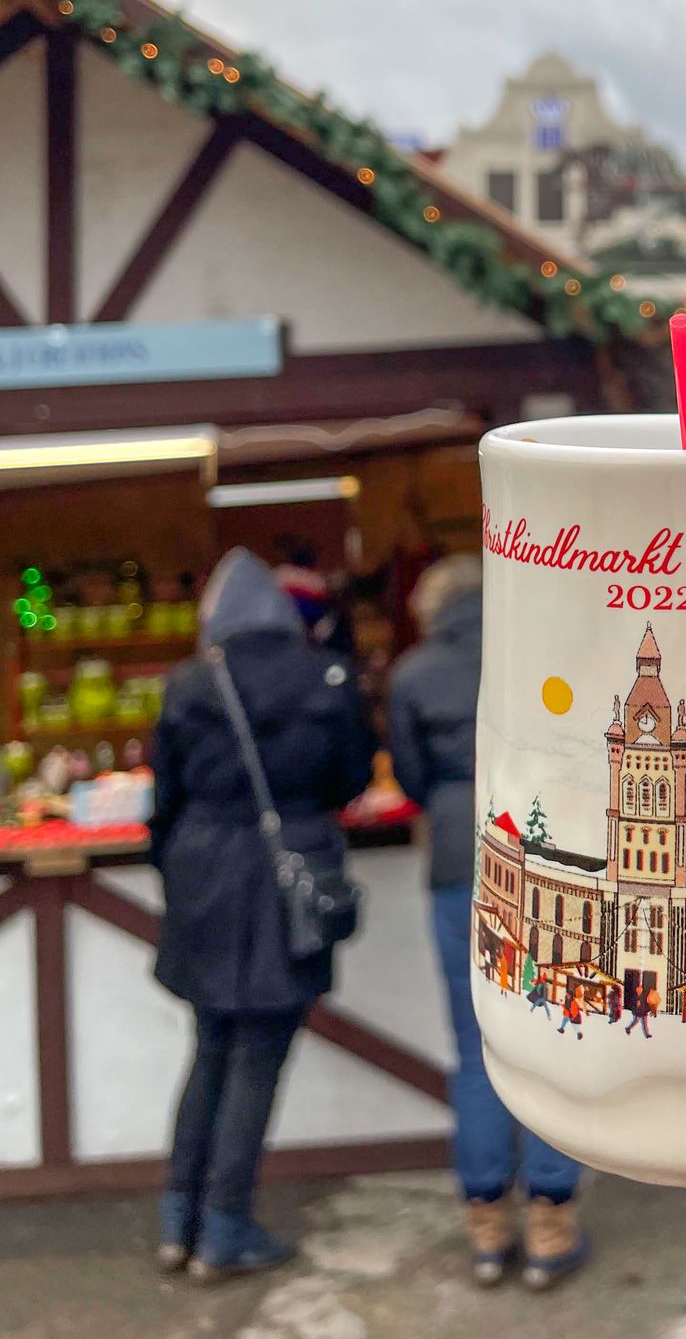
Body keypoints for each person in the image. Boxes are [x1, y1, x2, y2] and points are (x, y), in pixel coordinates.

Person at [150, 549, 373, 1282]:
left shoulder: (188, 683)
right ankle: (224, 1228)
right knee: (258, 1057)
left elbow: (166, 803)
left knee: (209, 1046)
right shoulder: (328, 677)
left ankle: (177, 1221)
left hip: (204, 876)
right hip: (291, 873)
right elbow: (350, 777)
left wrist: (176, 872)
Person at [389, 556, 586, 1291]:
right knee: (549, 1035)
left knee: (476, 1047)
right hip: (540, 862)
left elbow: (409, 779)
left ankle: (484, 1226)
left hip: (453, 861)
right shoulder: (538, 663)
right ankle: (550, 1219)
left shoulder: (414, 673)